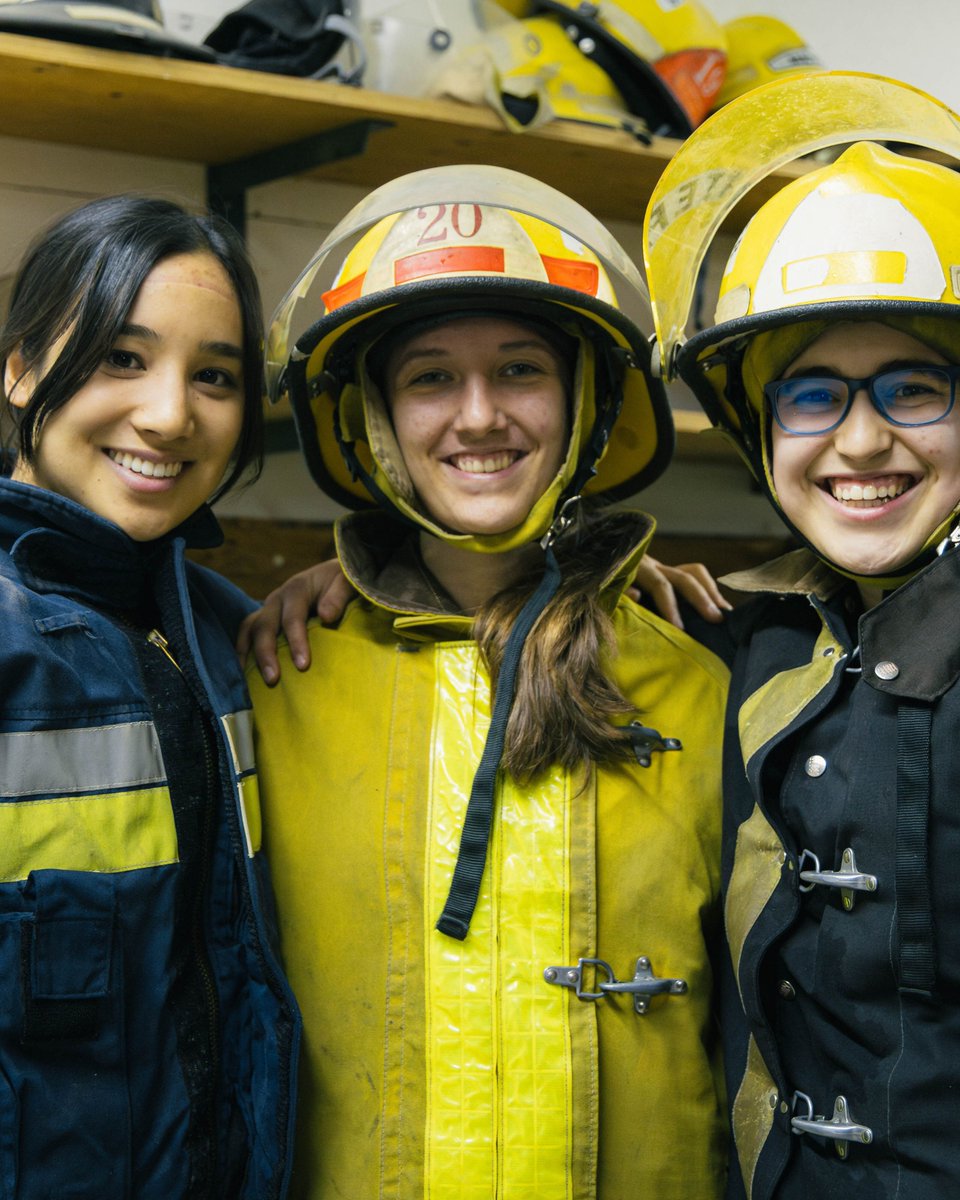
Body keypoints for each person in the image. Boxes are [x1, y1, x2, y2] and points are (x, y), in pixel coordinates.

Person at [247, 164, 729, 1198]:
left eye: (520, 369)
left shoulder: (709, 670)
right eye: (428, 377)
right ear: (375, 417)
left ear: (584, 397)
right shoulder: (277, 668)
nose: (477, 417)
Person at [643, 70, 960, 1198]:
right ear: (760, 431)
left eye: (915, 388)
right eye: (813, 395)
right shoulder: (754, 638)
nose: (861, 441)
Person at [0, 194, 300, 1198]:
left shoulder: (230, 634)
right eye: (122, 358)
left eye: (214, 376)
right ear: (21, 367)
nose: (170, 414)